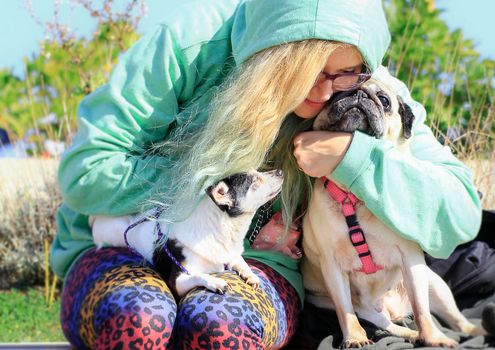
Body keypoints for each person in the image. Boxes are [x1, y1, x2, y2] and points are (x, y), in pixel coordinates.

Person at [50, 0, 482, 349]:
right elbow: (85, 171)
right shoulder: (189, 43)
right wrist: (210, 178)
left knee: (218, 329)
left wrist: (354, 157)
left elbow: (460, 210)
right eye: (306, 70)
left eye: (343, 74)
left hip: (255, 265)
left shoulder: (369, 85)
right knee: (138, 319)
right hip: (130, 245)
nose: (325, 91)